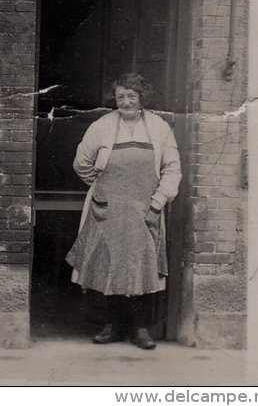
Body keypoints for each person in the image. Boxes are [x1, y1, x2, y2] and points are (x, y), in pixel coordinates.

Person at [65, 73, 181, 349]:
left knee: (142, 267)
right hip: (108, 210)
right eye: (120, 97)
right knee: (109, 266)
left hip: (145, 210)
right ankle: (113, 326)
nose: (126, 102)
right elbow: (81, 162)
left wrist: (157, 203)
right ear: (114, 100)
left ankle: (140, 328)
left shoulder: (159, 127)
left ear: (141, 97)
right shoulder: (101, 126)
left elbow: (172, 168)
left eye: (131, 96)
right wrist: (101, 188)